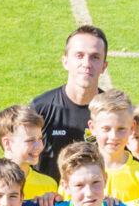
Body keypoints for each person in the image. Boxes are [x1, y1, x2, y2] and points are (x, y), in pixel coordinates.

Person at [29, 24, 111, 177]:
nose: (86, 64)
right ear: (65, 61)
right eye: (79, 56)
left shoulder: (113, 114)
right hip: (49, 200)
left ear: (104, 66)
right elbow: (19, 161)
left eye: (95, 57)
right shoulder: (40, 109)